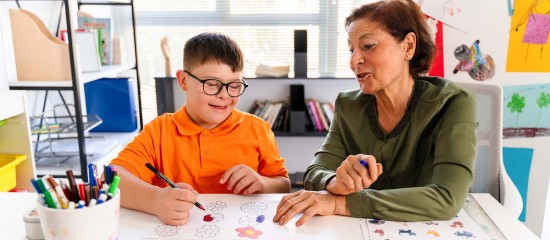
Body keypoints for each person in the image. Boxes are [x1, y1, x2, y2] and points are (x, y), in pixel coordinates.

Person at [273, 0, 477, 227]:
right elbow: (314, 173)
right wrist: (334, 182)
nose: (354, 61)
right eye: (351, 50)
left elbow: (446, 198)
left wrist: (342, 204)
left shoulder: (453, 103)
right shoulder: (348, 105)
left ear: (408, 47)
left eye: (368, 45)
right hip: (362, 228)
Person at [111, 32, 290, 226]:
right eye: (212, 84)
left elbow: (283, 184)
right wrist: (156, 200)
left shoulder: (258, 129)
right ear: (183, 81)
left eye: (235, 85)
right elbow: (111, 177)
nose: (224, 95)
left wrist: (262, 183)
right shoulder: (159, 131)